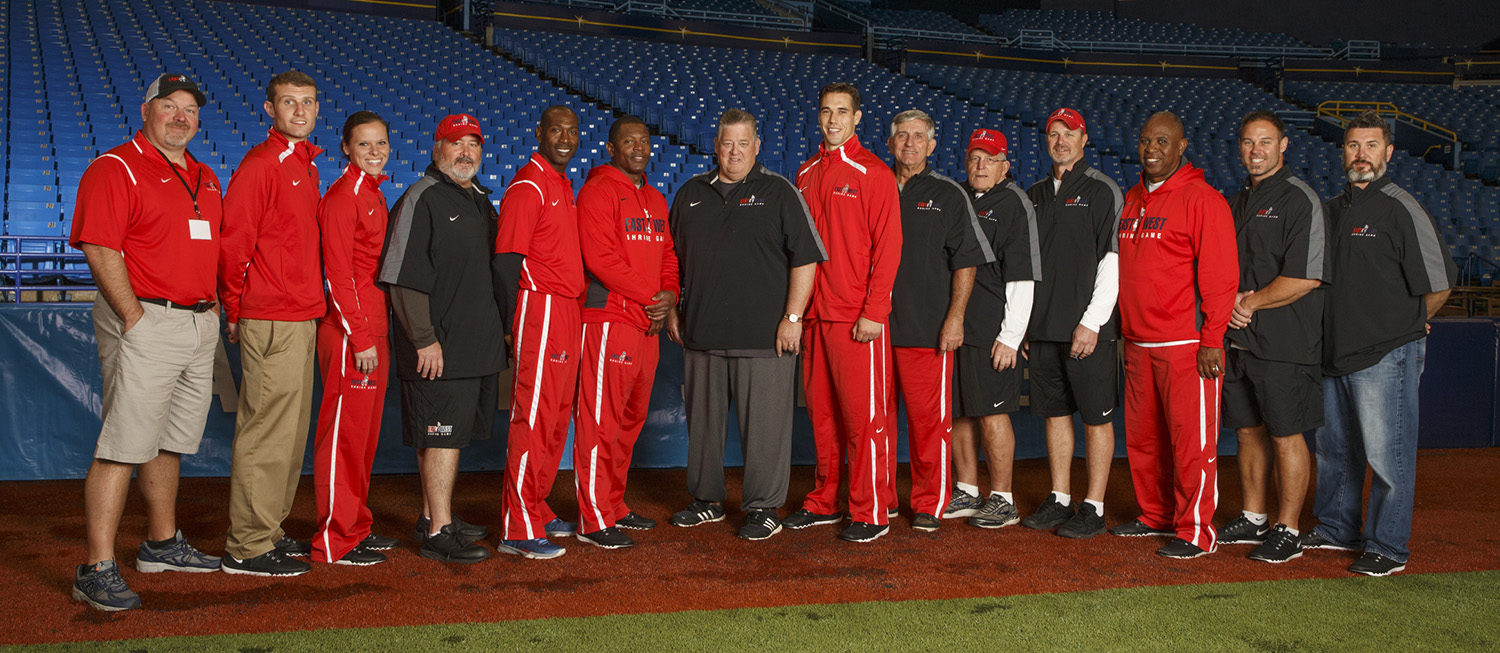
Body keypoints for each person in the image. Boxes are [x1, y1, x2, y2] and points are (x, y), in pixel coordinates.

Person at [69, 73, 223, 611]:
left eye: (190, 109)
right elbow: (99, 245)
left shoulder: (204, 176)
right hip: (145, 318)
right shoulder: (115, 167)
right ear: (146, 110)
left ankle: (161, 543)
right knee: (123, 443)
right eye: (169, 106)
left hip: (198, 321)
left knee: (169, 440)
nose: (180, 116)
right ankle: (96, 566)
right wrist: (133, 317)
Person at [1304, 110, 1455, 577]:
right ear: (1342, 151)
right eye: (1353, 145)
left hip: (1386, 354)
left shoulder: (1401, 207)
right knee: (1335, 451)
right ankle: (1335, 528)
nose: (1361, 155)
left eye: (1371, 146)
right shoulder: (1331, 209)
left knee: (1386, 455)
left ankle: (1388, 546)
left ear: (1388, 153)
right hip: (1334, 353)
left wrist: (1408, 326)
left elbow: (1440, 284)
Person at [665, 108, 826, 541]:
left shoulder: (779, 192)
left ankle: (763, 506)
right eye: (726, 142)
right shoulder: (690, 193)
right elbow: (671, 260)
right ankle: (707, 500)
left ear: (757, 146)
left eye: (743, 143)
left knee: (766, 428)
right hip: (701, 332)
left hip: (764, 336)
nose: (734, 151)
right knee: (702, 426)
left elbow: (806, 259)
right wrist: (674, 308)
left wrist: (793, 318)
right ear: (715, 146)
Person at [379, 113, 506, 565]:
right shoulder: (423, 197)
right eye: (456, 143)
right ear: (437, 149)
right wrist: (424, 339)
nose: (466, 152)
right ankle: (438, 532)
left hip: (474, 346)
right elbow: (400, 278)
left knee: (447, 439)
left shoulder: (479, 199)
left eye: (473, 143)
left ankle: (435, 512)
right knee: (440, 438)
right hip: (440, 348)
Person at [1111, 111, 1238, 559]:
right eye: (1146, 140)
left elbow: (1222, 279)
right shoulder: (1132, 197)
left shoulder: (1204, 200)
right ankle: (1155, 514)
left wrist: (1212, 339)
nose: (1151, 149)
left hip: (1186, 345)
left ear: (1182, 147)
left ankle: (1197, 530)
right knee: (1144, 440)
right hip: (1137, 342)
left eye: (1162, 141)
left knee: (1191, 444)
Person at [784, 82, 902, 543]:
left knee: (863, 419)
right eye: (826, 111)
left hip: (857, 320)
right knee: (824, 418)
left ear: (857, 118)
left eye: (842, 112)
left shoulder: (873, 172)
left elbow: (889, 248)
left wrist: (874, 310)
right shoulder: (806, 173)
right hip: (814, 317)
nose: (833, 120)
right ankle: (824, 501)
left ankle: (871, 509)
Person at [219, 70, 324, 577]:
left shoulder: (305, 165)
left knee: (289, 433)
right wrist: (234, 309)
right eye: (289, 102)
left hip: (302, 314)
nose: (299, 111)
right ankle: (246, 545)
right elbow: (233, 242)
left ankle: (270, 529)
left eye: (307, 103)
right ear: (269, 109)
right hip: (270, 315)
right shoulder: (262, 164)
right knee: (264, 431)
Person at [1006, 107, 1123, 539]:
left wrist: (1091, 323)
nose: (1060, 140)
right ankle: (1060, 498)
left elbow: (1112, 263)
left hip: (1089, 330)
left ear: (1084, 139)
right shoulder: (1032, 194)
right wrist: (1021, 328)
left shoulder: (1103, 190)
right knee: (1055, 415)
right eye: (1053, 133)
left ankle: (1093, 506)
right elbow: (1021, 267)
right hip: (1043, 330)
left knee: (1095, 419)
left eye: (1068, 133)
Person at [1218, 110, 1329, 564]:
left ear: (1283, 145)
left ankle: (1288, 528)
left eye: (1264, 142)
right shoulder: (1238, 198)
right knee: (1247, 432)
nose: (1255, 150)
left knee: (1286, 435)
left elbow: (1306, 277)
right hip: (1241, 342)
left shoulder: (1300, 199)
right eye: (1247, 142)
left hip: (1285, 342)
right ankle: (1254, 515)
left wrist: (1249, 302)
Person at [571, 116, 680, 549]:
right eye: (628, 141)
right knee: (601, 422)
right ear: (612, 149)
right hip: (610, 321)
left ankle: (613, 503)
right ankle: (593, 516)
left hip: (647, 326)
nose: (639, 147)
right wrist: (654, 297)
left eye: (645, 141)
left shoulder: (655, 198)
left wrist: (670, 294)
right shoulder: (597, 190)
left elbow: (668, 253)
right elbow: (600, 258)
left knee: (630, 421)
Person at [884, 110, 993, 531]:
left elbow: (966, 262)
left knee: (930, 424)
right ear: (890, 143)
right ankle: (884, 498)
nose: (909, 144)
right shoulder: (875, 185)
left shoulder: (949, 194)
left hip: (928, 330)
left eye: (918, 137)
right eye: (902, 136)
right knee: (879, 422)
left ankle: (930, 502)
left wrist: (955, 318)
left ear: (932, 146)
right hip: (874, 328)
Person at [493, 106, 586, 560]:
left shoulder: (560, 184)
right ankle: (518, 524)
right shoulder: (528, 185)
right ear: (539, 133)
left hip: (567, 308)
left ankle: (536, 503)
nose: (565, 138)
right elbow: (507, 262)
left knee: (555, 416)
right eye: (556, 130)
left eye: (572, 131)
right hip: (540, 308)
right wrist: (512, 329)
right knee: (533, 416)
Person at [310, 111, 401, 566]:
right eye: (364, 144)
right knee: (343, 437)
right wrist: (360, 336)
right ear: (346, 147)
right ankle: (334, 537)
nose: (374, 152)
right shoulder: (343, 197)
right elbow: (337, 274)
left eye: (380, 143)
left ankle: (356, 525)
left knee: (363, 439)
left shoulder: (374, 194)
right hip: (351, 334)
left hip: (373, 329)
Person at [946, 128, 1040, 530]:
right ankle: (967, 489)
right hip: (957, 327)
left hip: (993, 330)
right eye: (974, 158)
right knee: (960, 414)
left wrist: (1011, 335)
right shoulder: (959, 197)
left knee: (992, 414)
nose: (980, 165)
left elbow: (1023, 276)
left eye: (990, 158)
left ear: (1005, 165)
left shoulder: (1015, 203)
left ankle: (1003, 498)